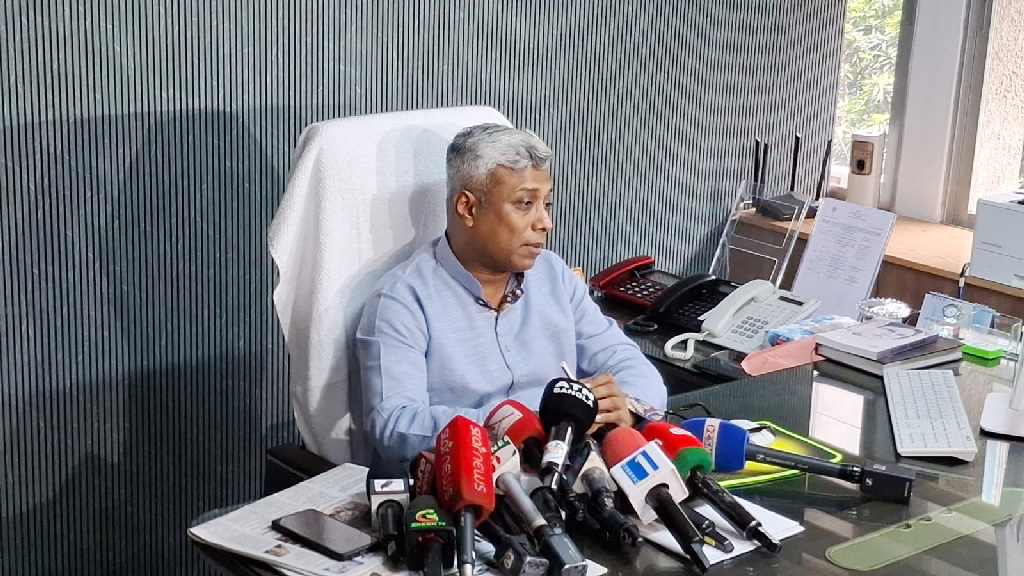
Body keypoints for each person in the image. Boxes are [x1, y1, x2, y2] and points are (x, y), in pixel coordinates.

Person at [356, 123, 666, 461]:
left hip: (570, 464)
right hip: (472, 477)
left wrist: (627, 407)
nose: (545, 223)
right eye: (525, 203)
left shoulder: (554, 275)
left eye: (547, 204)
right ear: (468, 208)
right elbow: (394, 424)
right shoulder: (402, 300)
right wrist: (517, 421)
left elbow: (628, 362)